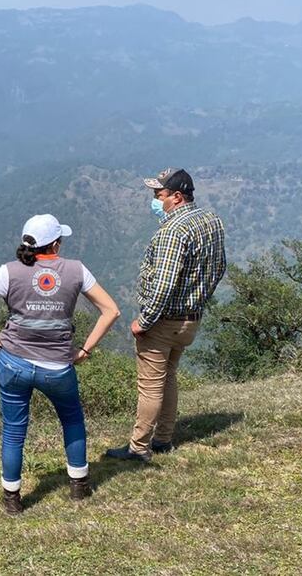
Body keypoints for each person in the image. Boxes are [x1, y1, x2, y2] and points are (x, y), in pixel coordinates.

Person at [0, 214, 121, 515]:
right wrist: (85, 348)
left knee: (13, 430)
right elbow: (111, 310)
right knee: (71, 420)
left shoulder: (9, 272)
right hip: (57, 366)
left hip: (13, 363)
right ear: (56, 243)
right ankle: (79, 485)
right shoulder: (76, 270)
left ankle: (12, 498)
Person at [105, 168, 226, 463]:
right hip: (190, 320)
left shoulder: (173, 232)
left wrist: (144, 321)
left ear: (176, 196)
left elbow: (163, 285)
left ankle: (138, 447)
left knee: (150, 385)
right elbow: (219, 267)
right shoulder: (211, 220)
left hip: (164, 321)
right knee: (168, 375)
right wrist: (198, 300)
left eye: (158, 195)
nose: (154, 200)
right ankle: (163, 438)